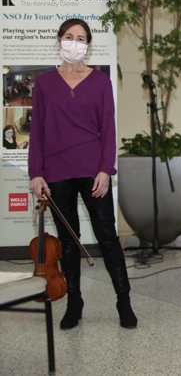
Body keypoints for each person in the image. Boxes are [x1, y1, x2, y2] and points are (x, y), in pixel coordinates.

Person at [28, 18, 137, 330]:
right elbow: (37, 131)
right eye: (68, 36)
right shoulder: (45, 83)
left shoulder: (100, 82)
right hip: (56, 171)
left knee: (107, 238)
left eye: (80, 38)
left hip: (92, 171)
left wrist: (105, 170)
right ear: (59, 40)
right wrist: (36, 172)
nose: (73, 42)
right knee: (68, 238)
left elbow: (108, 130)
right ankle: (74, 301)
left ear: (88, 45)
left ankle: (123, 300)